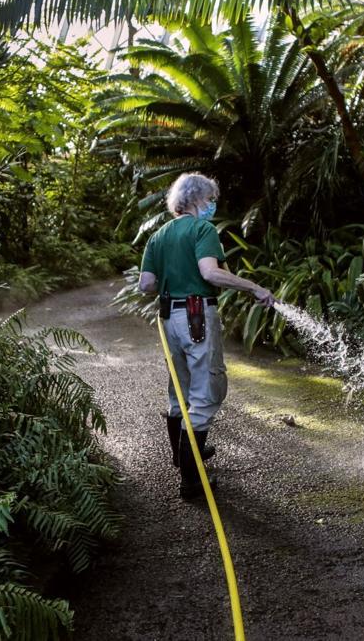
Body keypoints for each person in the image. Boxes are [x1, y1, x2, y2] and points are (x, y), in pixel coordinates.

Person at [138, 173, 276, 500]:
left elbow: (145, 285)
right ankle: (192, 482)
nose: (213, 205)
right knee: (205, 391)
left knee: (180, 390)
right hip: (196, 315)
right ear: (198, 199)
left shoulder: (158, 235)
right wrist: (255, 287)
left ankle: (182, 458)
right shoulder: (203, 229)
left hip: (168, 316)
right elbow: (210, 272)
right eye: (211, 199)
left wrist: (173, 280)